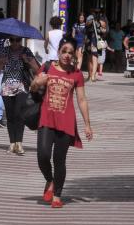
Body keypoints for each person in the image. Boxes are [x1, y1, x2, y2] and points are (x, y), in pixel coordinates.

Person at [31, 36, 93, 208]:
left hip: (66, 121)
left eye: (70, 53)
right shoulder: (47, 67)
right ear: (58, 51)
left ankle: (57, 195)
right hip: (46, 118)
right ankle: (50, 180)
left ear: (74, 55)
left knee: (59, 160)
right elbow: (33, 88)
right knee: (42, 155)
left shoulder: (77, 74)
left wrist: (87, 124)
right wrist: (37, 82)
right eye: (64, 51)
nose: (66, 55)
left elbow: (81, 100)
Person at [0, 36, 39, 155]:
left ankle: (19, 143)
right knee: (10, 115)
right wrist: (1, 62)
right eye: (12, 40)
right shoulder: (4, 51)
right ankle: (12, 143)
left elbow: (37, 69)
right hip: (6, 87)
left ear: (21, 40)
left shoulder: (26, 51)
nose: (15, 43)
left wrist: (27, 60)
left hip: (21, 86)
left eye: (17, 40)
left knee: (19, 113)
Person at [85, 9, 107, 82]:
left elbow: (105, 30)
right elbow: (87, 25)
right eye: (95, 13)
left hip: (94, 41)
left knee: (94, 58)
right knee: (90, 59)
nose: (96, 14)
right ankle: (91, 75)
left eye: (97, 13)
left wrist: (101, 27)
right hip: (91, 41)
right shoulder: (91, 20)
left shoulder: (101, 22)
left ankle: (93, 75)